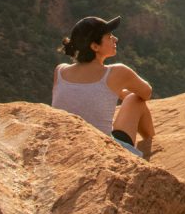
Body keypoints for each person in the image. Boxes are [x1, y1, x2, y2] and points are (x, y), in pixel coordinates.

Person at [51, 15, 155, 158]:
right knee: (134, 100)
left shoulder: (60, 71)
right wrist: (121, 91)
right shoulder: (118, 71)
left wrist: (117, 91)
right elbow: (146, 93)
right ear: (95, 46)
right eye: (109, 36)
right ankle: (150, 148)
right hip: (103, 154)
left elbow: (83, 93)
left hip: (65, 150)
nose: (115, 39)